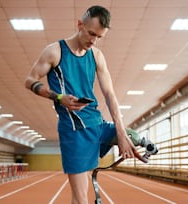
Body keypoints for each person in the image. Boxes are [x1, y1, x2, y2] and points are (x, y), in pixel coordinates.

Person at [25, 5, 137, 203]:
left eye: (99, 37)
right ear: (80, 25)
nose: (93, 41)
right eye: (91, 33)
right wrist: (58, 98)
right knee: (81, 198)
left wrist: (120, 133)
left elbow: (110, 94)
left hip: (97, 124)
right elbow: (30, 80)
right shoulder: (55, 51)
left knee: (134, 137)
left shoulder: (96, 56)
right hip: (75, 131)